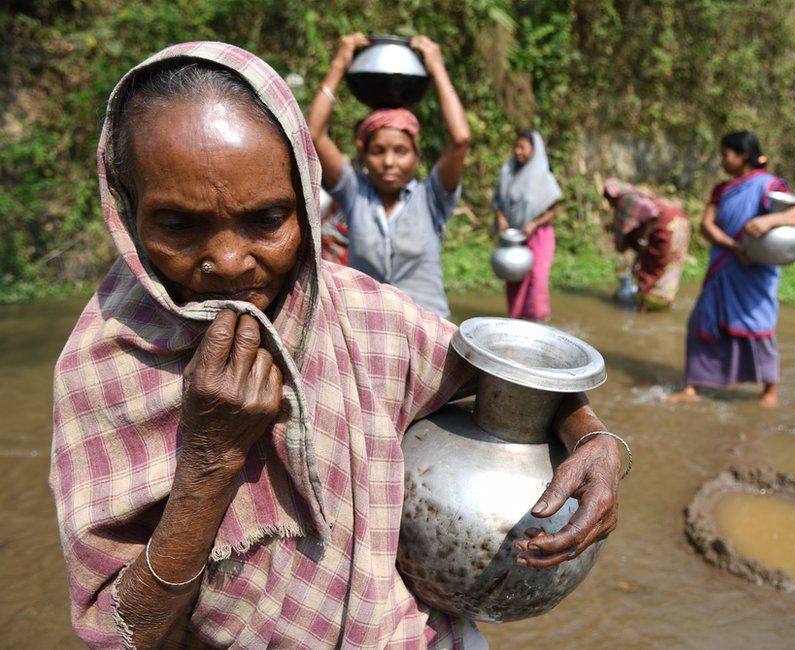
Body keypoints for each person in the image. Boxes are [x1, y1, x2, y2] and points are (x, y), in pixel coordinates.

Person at [49, 42, 624, 649]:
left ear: (304, 201)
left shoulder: (364, 316)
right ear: (126, 208)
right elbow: (124, 635)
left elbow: (508, 378)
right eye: (177, 226)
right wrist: (211, 459)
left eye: (267, 219)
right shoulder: (105, 368)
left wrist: (595, 438)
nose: (227, 261)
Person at [308, 33, 469, 318]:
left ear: (416, 156)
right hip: (367, 330)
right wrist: (339, 64)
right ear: (364, 157)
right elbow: (314, 134)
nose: (389, 162)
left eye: (401, 151)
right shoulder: (355, 193)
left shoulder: (431, 198)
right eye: (378, 151)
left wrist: (437, 68)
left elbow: (460, 138)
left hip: (429, 332)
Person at [670, 131, 795, 407]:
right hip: (726, 264)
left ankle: (770, 391)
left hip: (755, 271)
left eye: (726, 154)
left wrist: (769, 222)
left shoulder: (770, 185)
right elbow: (706, 225)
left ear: (742, 155)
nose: (722, 160)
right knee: (702, 322)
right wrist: (734, 247)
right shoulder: (723, 189)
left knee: (757, 326)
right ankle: (693, 387)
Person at [492, 131, 562, 320]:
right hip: (515, 236)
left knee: (537, 280)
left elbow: (554, 209)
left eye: (522, 147)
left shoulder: (543, 177)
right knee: (514, 279)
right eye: (516, 147)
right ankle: (516, 321)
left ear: (534, 149)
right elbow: (497, 201)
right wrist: (501, 218)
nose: (518, 151)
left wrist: (534, 223)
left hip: (539, 236)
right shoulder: (508, 172)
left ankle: (539, 322)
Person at [603, 178, 690, 312]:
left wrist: (644, 238)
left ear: (612, 195)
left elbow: (651, 214)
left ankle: (644, 308)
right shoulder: (640, 194)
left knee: (652, 266)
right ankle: (661, 302)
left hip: (665, 226)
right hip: (679, 221)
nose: (609, 203)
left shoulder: (626, 200)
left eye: (608, 198)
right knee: (670, 264)